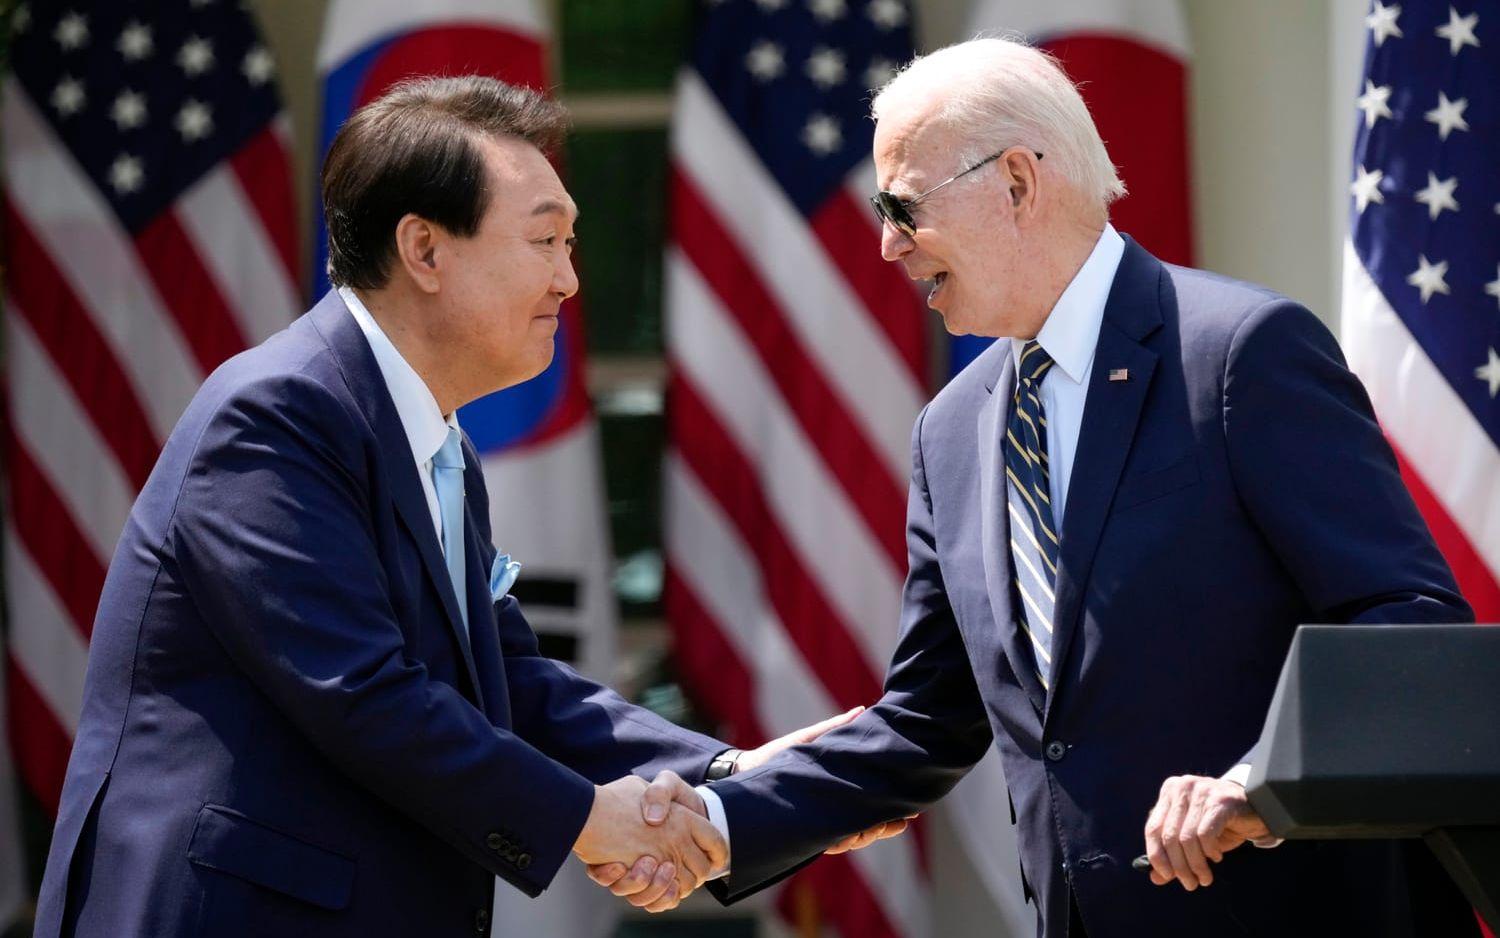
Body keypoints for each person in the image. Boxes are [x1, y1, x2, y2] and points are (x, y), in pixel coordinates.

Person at [637, 37, 1476, 938]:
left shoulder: (1240, 354)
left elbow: (1409, 620)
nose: (887, 243)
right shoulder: (950, 435)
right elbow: (926, 722)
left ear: (1017, 182)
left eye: (903, 205)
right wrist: (721, 821)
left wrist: (1257, 783)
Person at [32, 76, 893, 938]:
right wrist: (594, 820)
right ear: (425, 250)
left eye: (569, 244)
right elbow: (361, 692)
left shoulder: (434, 443)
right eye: (544, 240)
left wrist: (730, 776)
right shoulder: (276, 413)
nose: (569, 280)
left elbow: (509, 684)